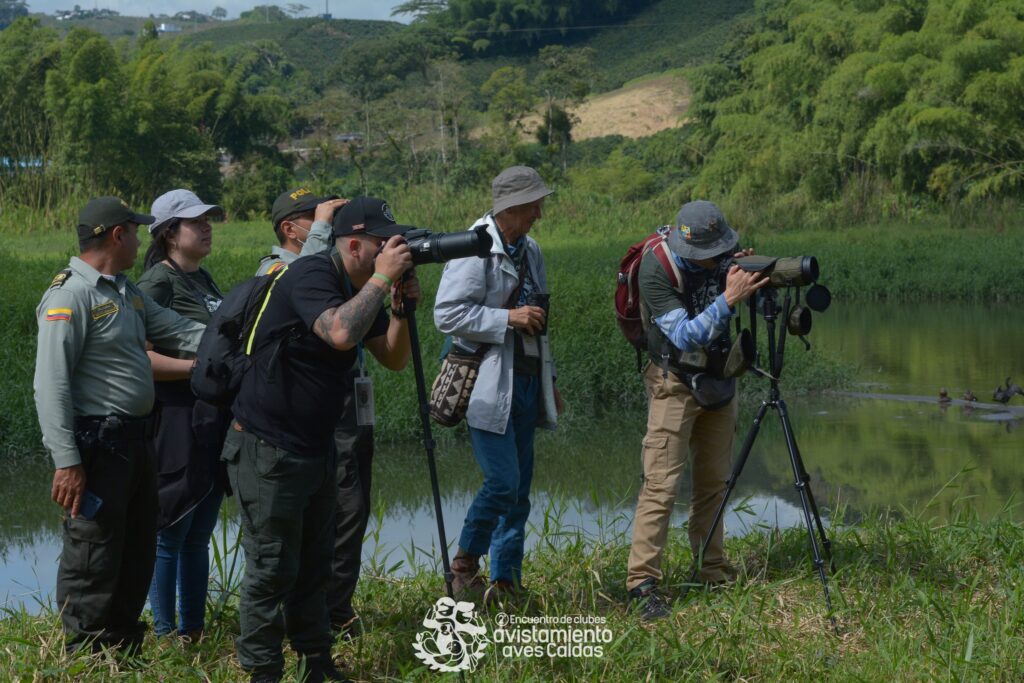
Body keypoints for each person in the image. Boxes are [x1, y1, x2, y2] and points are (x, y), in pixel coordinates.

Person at [221, 197, 419, 683]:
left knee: (314, 569)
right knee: (271, 569)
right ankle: (263, 672)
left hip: (315, 446)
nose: (393, 250)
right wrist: (381, 281)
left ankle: (318, 667)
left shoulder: (359, 286)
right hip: (267, 446)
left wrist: (400, 310)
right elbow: (338, 332)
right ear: (354, 245)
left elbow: (393, 359)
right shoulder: (310, 274)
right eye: (382, 243)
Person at [33, 196, 207, 654]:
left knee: (135, 551)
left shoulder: (125, 292)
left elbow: (180, 330)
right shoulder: (71, 294)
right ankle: (86, 655)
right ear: (117, 235)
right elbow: (50, 385)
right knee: (93, 555)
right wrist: (67, 461)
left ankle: (122, 650)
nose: (140, 239)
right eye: (136, 230)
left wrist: (243, 336)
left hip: (136, 443)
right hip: (97, 448)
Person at [625, 200, 766, 621]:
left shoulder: (721, 256)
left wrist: (745, 276)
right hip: (674, 382)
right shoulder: (657, 268)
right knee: (661, 484)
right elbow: (685, 336)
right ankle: (642, 583)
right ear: (689, 249)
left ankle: (712, 568)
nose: (716, 258)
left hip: (721, 375)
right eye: (709, 255)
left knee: (714, 482)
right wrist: (729, 297)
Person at [434, 166, 563, 605]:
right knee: (503, 481)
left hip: (527, 380)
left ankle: (506, 579)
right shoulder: (474, 248)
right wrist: (507, 318)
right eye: (532, 206)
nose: (538, 213)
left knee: (521, 489)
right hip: (487, 382)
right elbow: (447, 315)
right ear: (508, 208)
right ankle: (465, 562)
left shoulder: (532, 250)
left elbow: (541, 321)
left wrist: (552, 379)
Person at [255, 188, 370, 635]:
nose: (329, 222)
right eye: (316, 217)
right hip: (304, 413)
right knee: (328, 511)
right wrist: (324, 227)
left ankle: (335, 605)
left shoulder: (335, 269)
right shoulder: (276, 269)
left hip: (347, 401)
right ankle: (319, 613)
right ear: (292, 228)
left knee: (351, 509)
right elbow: (303, 285)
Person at [136, 189, 228, 643]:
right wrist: (197, 369)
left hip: (208, 418)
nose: (207, 227)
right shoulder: (157, 282)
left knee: (199, 532)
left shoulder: (203, 278)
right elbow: (139, 357)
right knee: (170, 529)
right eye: (197, 221)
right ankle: (165, 631)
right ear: (170, 233)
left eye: (209, 219)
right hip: (174, 417)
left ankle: (194, 629)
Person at [255, 187, 346, 275]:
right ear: (289, 229)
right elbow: (299, 280)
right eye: (314, 214)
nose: (324, 219)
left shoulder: (328, 260)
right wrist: (321, 225)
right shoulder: (271, 269)